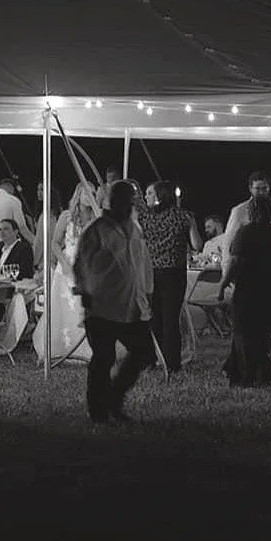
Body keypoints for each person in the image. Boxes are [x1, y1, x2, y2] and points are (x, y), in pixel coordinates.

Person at [73, 180, 154, 424]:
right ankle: (98, 411)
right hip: (102, 306)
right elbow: (81, 264)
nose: (129, 203)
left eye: (132, 198)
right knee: (103, 359)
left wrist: (147, 291)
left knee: (144, 353)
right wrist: (85, 292)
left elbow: (142, 262)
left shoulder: (135, 228)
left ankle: (114, 398)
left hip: (132, 306)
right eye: (125, 198)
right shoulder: (97, 229)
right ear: (113, 200)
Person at [218, 190, 271, 387]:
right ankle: (252, 371)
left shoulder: (246, 232)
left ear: (251, 212)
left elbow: (235, 260)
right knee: (262, 332)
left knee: (243, 331)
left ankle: (247, 374)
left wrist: (224, 283)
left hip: (248, 290)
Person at [39, 182, 102, 363]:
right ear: (79, 194)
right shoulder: (67, 216)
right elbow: (55, 243)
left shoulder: (97, 218)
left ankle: (85, 350)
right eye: (87, 192)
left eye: (93, 192)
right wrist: (65, 264)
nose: (90, 196)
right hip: (67, 266)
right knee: (64, 308)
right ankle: (58, 347)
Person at [139, 180, 196, 374]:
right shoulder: (184, 217)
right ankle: (172, 363)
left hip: (151, 272)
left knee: (153, 318)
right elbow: (197, 245)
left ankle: (153, 359)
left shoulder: (144, 219)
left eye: (149, 193)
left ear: (159, 196)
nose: (145, 196)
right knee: (171, 319)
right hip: (173, 273)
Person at [226, 171, 271, 237]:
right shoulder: (239, 211)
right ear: (250, 188)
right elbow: (229, 239)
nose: (261, 192)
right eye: (257, 189)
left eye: (264, 188)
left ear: (269, 188)